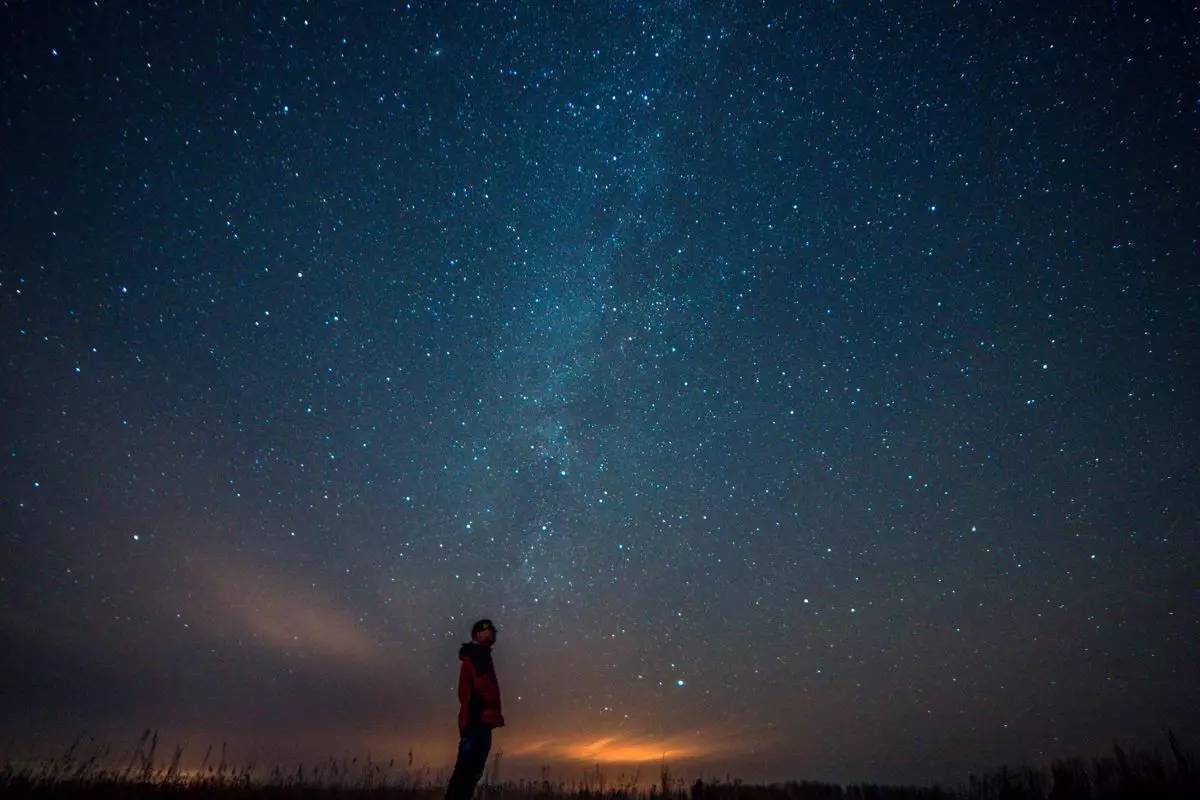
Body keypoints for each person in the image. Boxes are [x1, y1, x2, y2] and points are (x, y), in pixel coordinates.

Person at [445, 618, 505, 800]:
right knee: (465, 772)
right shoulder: (473, 659)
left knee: (473, 773)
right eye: (486, 629)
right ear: (477, 634)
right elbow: (466, 693)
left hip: (484, 722)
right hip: (475, 722)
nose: (491, 632)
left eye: (492, 630)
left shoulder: (483, 657)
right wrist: (471, 721)